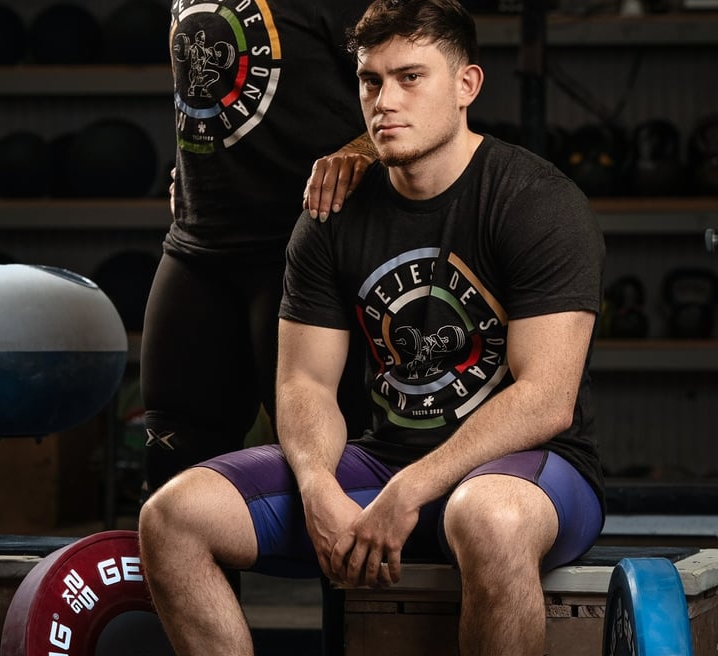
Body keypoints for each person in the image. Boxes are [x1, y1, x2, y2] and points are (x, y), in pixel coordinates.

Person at [138, 0, 606, 654]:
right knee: (171, 516)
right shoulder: (330, 218)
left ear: (467, 85)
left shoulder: (535, 202)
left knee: (487, 517)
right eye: (370, 81)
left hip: (528, 474)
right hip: (384, 464)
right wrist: (317, 486)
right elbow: (305, 382)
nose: (385, 101)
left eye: (410, 78)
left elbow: (546, 399)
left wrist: (409, 489)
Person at [141, 0, 376, 494]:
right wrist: (197, 166)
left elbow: (421, 83)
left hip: (300, 249)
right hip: (198, 246)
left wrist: (362, 152)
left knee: (329, 473)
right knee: (172, 461)